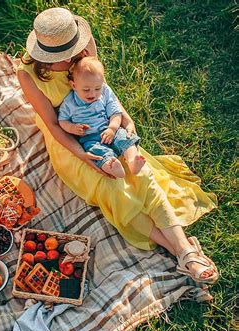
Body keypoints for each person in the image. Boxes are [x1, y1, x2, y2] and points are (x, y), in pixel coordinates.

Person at [17, 7, 218, 284]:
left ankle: (183, 250)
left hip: (104, 126)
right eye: (65, 54)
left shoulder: (83, 47)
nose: (74, 56)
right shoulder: (28, 75)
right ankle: (182, 252)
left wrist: (124, 118)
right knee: (113, 187)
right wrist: (83, 156)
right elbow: (53, 125)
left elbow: (104, 91)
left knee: (141, 174)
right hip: (70, 140)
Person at [58, 56, 145, 178]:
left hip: (108, 128)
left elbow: (115, 113)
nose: (92, 94)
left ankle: (132, 161)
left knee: (124, 137)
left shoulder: (105, 92)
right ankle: (111, 164)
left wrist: (112, 129)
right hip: (89, 138)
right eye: (86, 90)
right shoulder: (69, 102)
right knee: (96, 151)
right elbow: (62, 120)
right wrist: (72, 128)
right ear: (73, 85)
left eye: (97, 88)